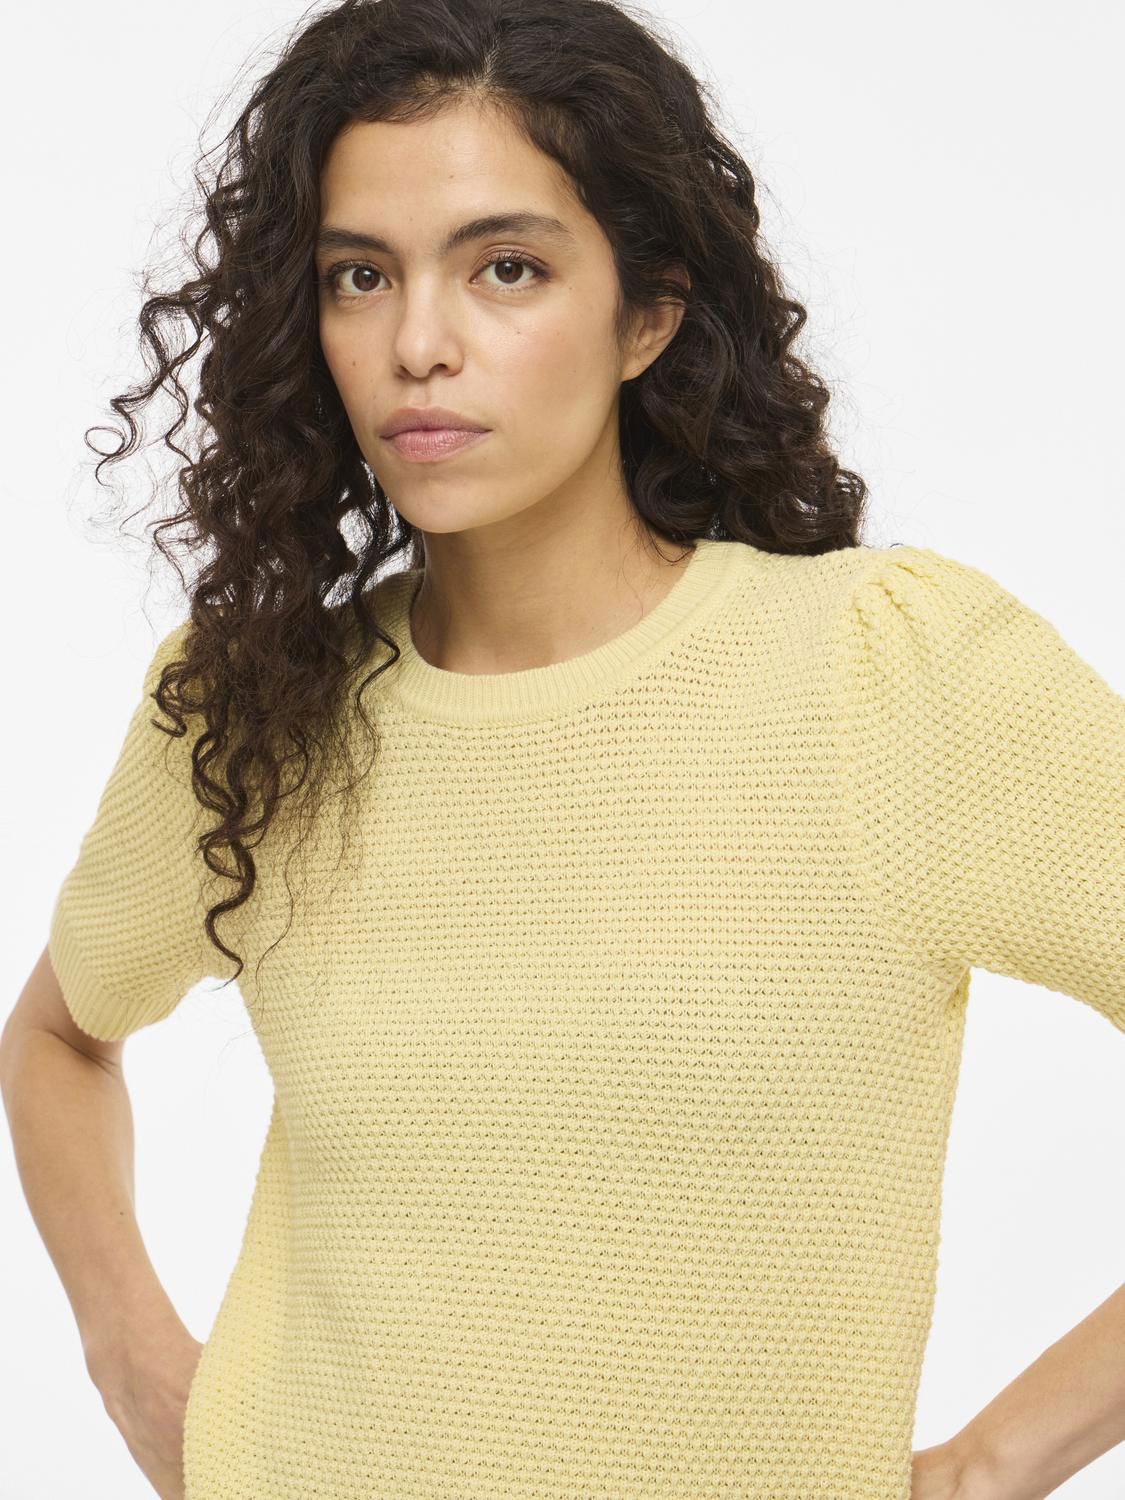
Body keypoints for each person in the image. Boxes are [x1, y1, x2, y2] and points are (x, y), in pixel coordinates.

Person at [3, 0, 1124, 1496]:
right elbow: (59, 1039)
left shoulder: (885, 675)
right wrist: (132, 1358)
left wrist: (994, 1464)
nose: (418, 345)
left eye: (506, 268)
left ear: (646, 314)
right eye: (359, 276)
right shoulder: (255, 705)